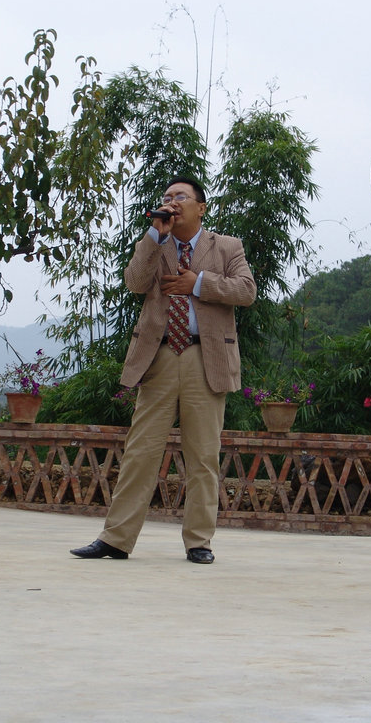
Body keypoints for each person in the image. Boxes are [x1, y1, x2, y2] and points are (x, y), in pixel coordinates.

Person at [71, 176, 256, 564]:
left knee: (203, 456)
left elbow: (246, 291)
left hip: (205, 357)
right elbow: (135, 282)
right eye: (168, 196)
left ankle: (199, 542)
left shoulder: (227, 246)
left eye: (181, 196)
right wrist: (156, 235)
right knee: (140, 451)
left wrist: (198, 283)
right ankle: (116, 539)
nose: (172, 201)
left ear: (201, 207)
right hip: (159, 357)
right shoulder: (155, 243)